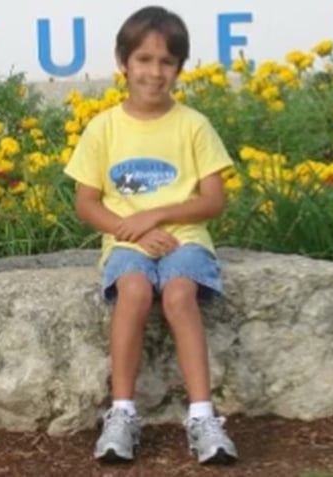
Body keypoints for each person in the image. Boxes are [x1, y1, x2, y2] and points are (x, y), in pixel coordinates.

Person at [63, 5, 238, 465]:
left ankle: (202, 416)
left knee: (179, 294)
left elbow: (213, 199)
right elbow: (85, 202)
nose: (154, 72)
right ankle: (121, 413)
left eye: (166, 61)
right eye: (143, 59)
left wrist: (154, 215)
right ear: (123, 63)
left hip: (186, 241)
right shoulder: (103, 127)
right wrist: (132, 230)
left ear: (179, 67)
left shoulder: (193, 124)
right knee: (134, 290)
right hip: (125, 245)